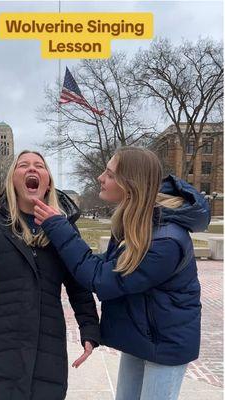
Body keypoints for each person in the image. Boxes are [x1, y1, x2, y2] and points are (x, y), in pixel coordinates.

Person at [32, 146, 211, 400]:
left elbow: (101, 279)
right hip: (141, 335)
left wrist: (60, 228)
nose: (100, 178)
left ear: (131, 184)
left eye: (110, 173)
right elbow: (103, 266)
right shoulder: (136, 223)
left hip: (166, 345)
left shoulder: (165, 241)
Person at [0, 151, 100, 400]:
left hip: (48, 348)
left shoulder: (63, 228)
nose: (32, 169)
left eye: (39, 165)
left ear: (48, 181)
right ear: (12, 180)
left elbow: (79, 284)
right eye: (23, 165)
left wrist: (89, 329)